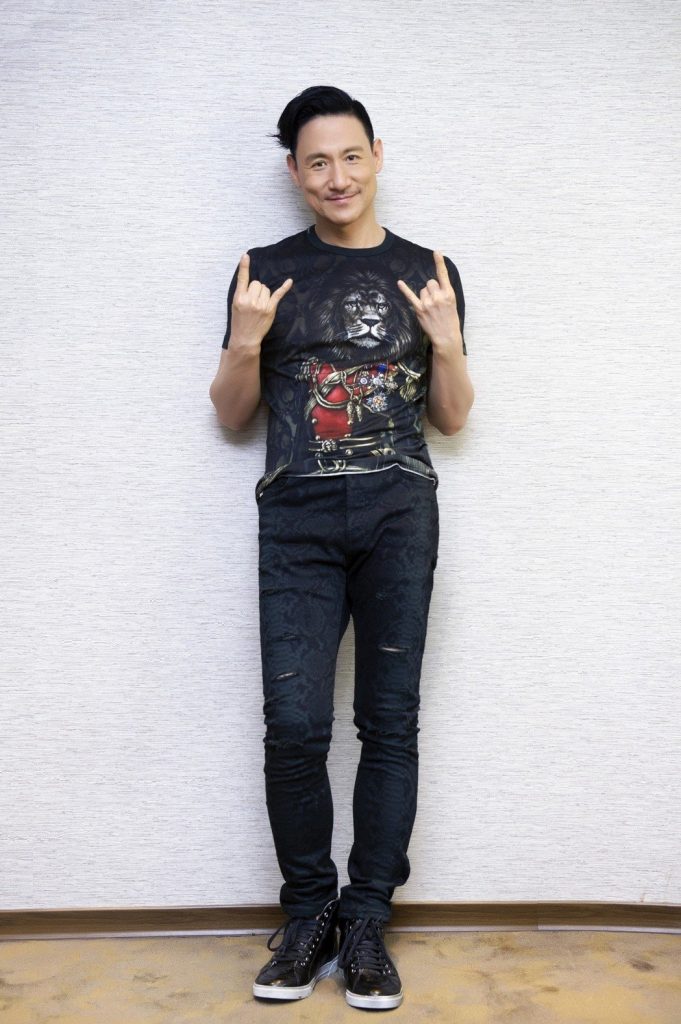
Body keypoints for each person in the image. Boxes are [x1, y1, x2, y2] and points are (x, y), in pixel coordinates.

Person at [209, 85, 474, 1011]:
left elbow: (450, 419)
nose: (337, 176)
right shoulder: (262, 272)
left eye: (351, 156)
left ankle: (366, 923)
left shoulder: (429, 270)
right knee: (294, 724)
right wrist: (245, 342)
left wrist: (448, 345)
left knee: (388, 722)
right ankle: (308, 914)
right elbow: (232, 415)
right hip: (298, 520)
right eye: (317, 161)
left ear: (376, 156)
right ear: (294, 170)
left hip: (400, 513)